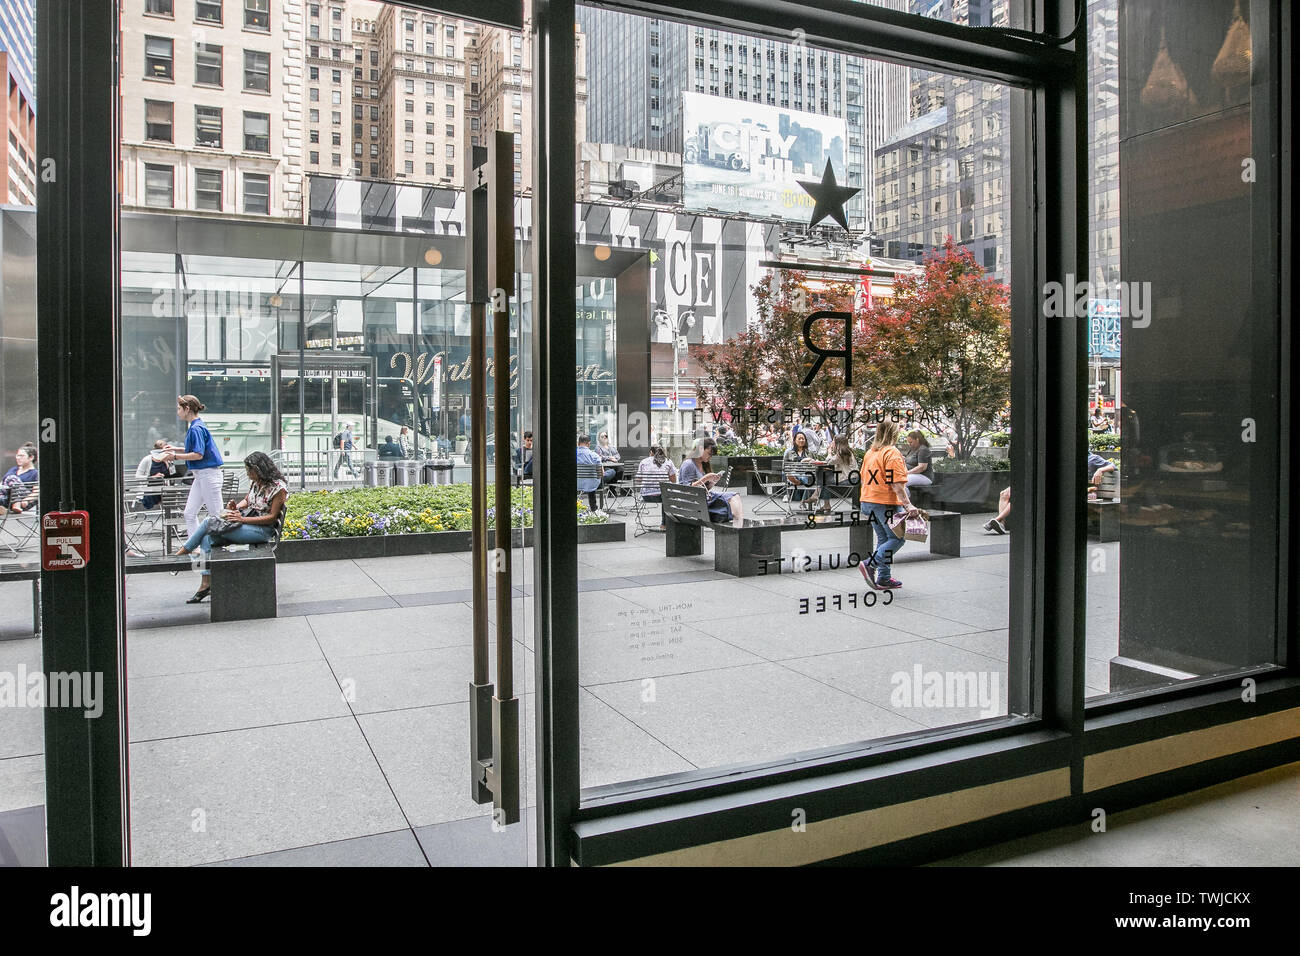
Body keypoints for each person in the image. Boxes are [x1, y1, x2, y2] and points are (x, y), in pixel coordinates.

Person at [175, 451, 288, 604]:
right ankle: (205, 584)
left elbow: (272, 517)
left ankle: (182, 553)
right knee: (207, 538)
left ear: (260, 469)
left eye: (250, 470)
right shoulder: (257, 482)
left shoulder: (278, 488)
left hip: (261, 531)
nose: (248, 474)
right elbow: (248, 500)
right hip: (248, 525)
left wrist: (242, 518)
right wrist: (236, 507)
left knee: (209, 522)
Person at [858, 420, 919, 590]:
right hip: (885, 502)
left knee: (884, 539)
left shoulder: (871, 452)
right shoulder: (891, 452)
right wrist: (909, 506)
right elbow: (897, 484)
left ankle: (884, 577)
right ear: (894, 433)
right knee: (897, 539)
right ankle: (870, 564)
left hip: (868, 500)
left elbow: (864, 477)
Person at [163, 396, 225, 538]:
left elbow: (198, 454)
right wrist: (175, 449)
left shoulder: (196, 428)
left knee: (217, 516)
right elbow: (196, 451)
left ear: (187, 409)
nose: (177, 411)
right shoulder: (197, 426)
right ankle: (195, 546)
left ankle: (223, 548)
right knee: (190, 513)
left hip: (207, 475)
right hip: (203, 475)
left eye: (179, 408)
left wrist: (175, 456)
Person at [679, 437, 743, 522]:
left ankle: (738, 526)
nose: (710, 457)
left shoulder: (703, 463)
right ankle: (738, 526)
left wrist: (712, 482)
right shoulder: (689, 464)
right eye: (709, 453)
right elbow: (686, 490)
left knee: (735, 496)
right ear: (701, 449)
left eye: (712, 455)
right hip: (694, 501)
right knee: (733, 500)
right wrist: (706, 478)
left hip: (703, 498)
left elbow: (705, 489)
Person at [818, 434, 859, 514]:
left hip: (848, 480)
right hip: (854, 479)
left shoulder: (841, 453)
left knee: (824, 481)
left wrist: (829, 452)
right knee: (825, 477)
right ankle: (818, 496)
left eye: (833, 441)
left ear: (837, 443)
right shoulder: (847, 451)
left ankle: (826, 504)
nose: (832, 443)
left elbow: (828, 461)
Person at [134, 439, 180, 510]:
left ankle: (171, 514)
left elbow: (172, 476)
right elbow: (137, 476)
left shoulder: (169, 460)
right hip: (149, 493)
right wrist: (152, 477)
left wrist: (168, 463)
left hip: (165, 493)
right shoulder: (147, 459)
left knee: (173, 496)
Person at [784, 430, 821, 510]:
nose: (801, 440)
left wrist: (811, 461)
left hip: (807, 474)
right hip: (794, 473)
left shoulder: (810, 453)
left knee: (810, 478)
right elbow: (785, 467)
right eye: (799, 438)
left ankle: (799, 486)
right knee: (808, 479)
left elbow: (816, 465)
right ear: (795, 440)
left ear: (806, 441)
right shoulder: (789, 452)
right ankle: (795, 481)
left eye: (803, 439)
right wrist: (801, 462)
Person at [0, 443, 39, 514]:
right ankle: (3, 508)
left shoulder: (35, 473)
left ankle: (16, 503)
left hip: (23, 500)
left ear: (31, 457)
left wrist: (27, 500)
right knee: (10, 478)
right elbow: (3, 483)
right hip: (7, 497)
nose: (18, 458)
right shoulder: (13, 469)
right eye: (17, 455)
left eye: (21, 456)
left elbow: (36, 492)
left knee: (12, 478)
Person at [576, 434, 605, 510]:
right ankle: (593, 507)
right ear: (589, 444)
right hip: (592, 486)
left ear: (578, 443)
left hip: (576, 483)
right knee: (611, 472)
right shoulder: (595, 456)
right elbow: (601, 473)